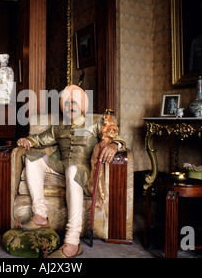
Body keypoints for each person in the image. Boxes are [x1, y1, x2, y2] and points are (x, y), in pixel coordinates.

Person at [16, 85, 126, 258]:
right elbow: (40, 139)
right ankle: (40, 214)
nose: (70, 106)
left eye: (74, 102)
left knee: (73, 170)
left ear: (83, 105)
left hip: (83, 170)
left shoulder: (96, 122)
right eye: (66, 103)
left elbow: (117, 138)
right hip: (62, 166)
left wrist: (114, 145)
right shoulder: (59, 126)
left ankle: (73, 241)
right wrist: (27, 141)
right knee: (32, 158)